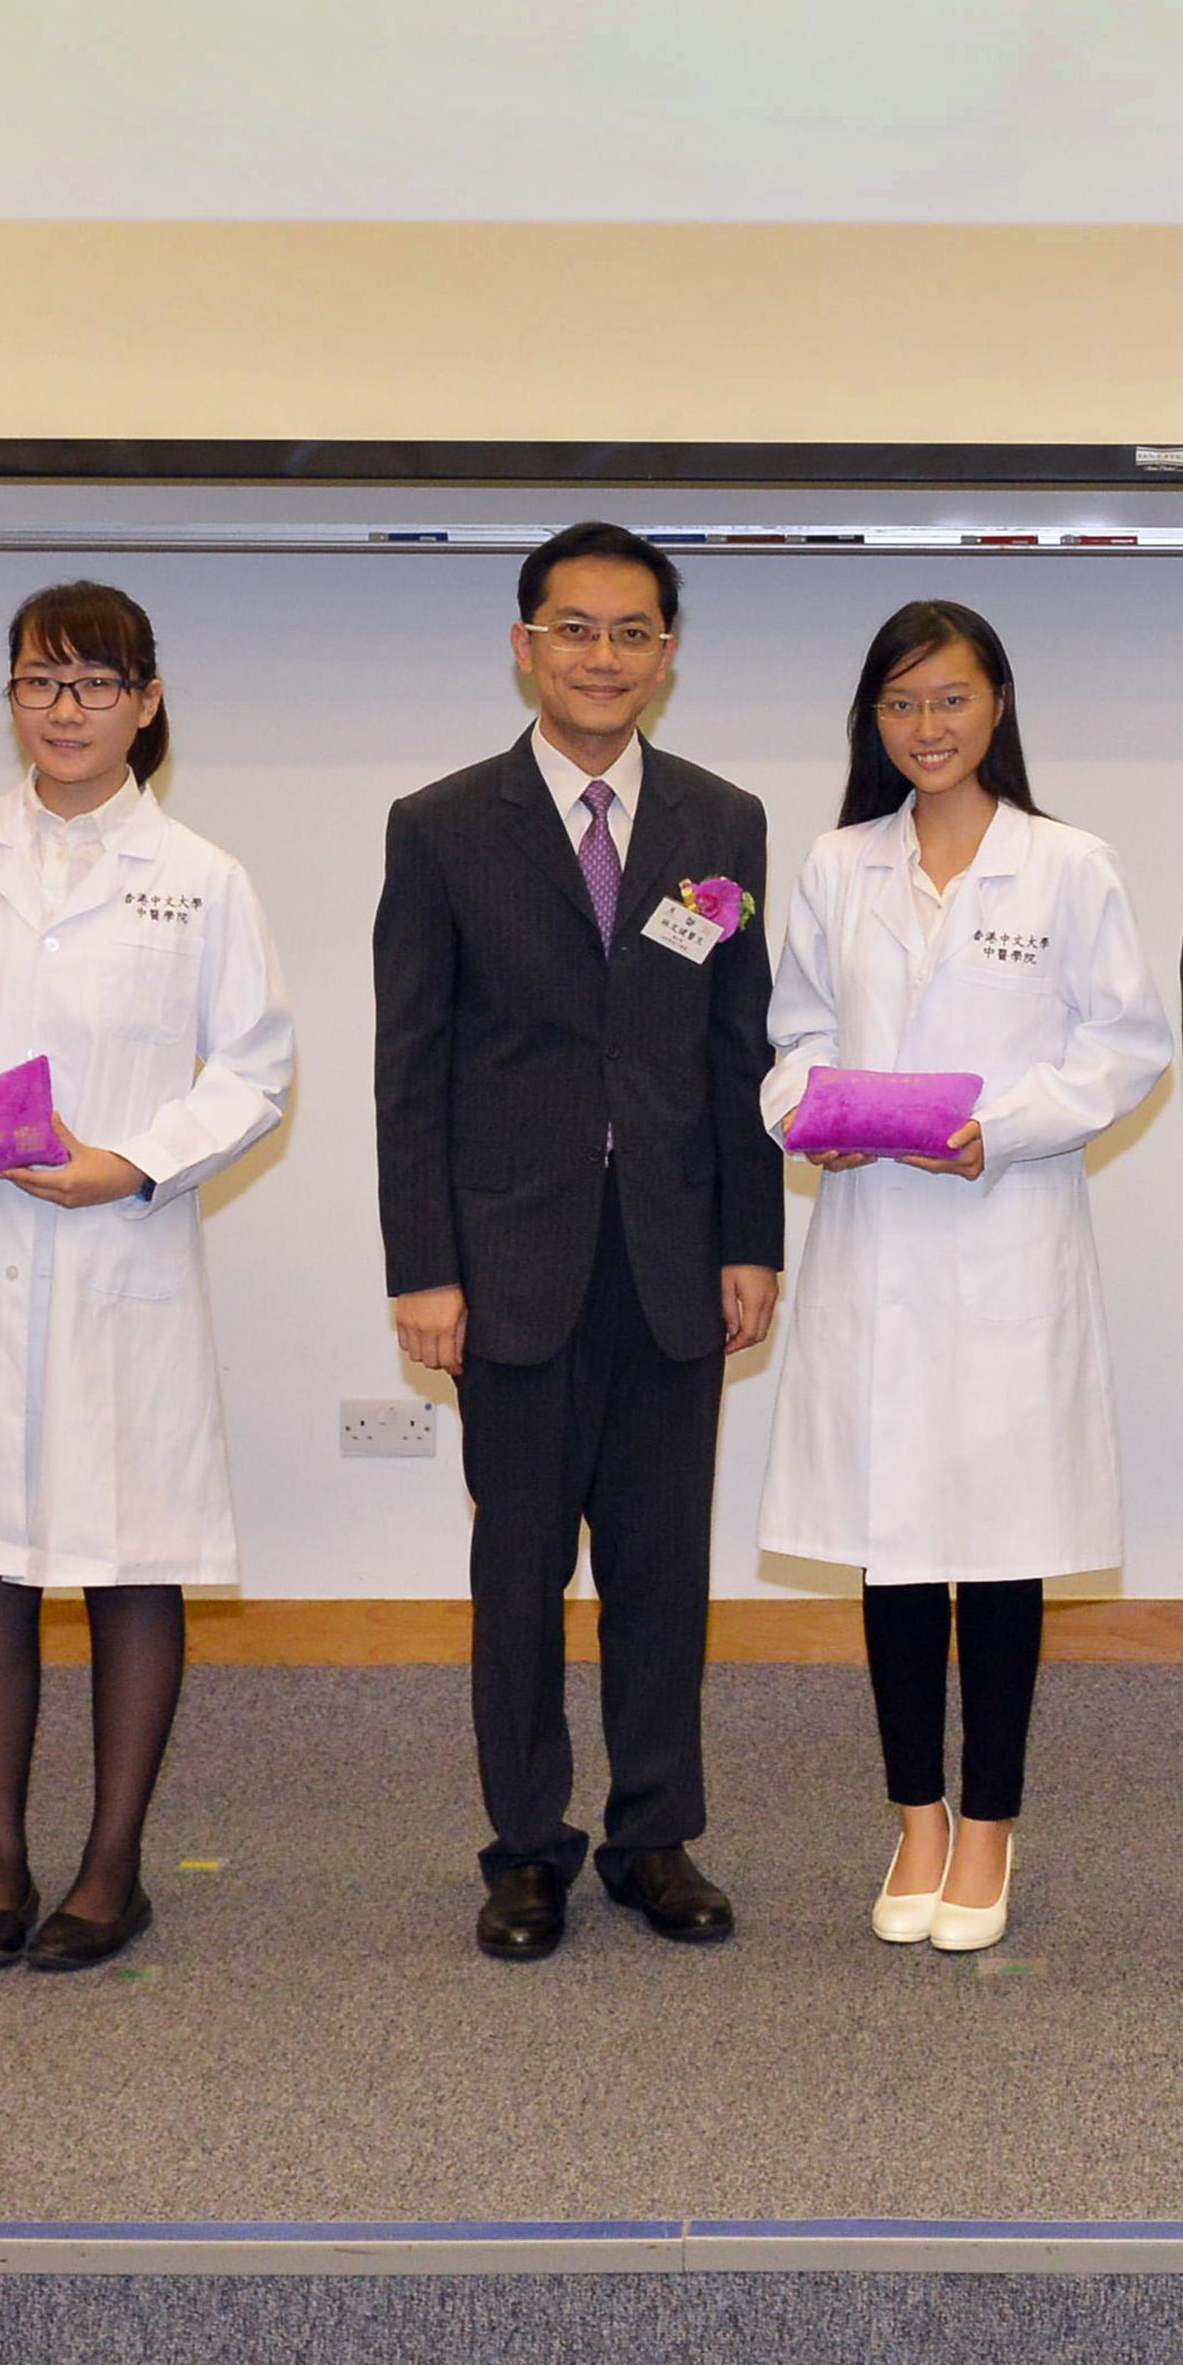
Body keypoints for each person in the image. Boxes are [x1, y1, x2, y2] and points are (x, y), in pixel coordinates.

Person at [0, 581, 296, 1975]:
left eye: (97, 683)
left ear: (147, 703)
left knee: (128, 1561)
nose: (69, 708)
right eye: (42, 681)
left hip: (118, 1258)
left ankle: (109, 1871)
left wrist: (137, 1163)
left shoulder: (201, 875)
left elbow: (255, 1069)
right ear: (12, 699)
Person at [374, 523, 786, 1963]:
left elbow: (741, 1053)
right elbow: (408, 1062)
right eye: (574, 629)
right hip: (510, 1262)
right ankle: (529, 1849)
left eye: (630, 633)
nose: (601, 657)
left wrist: (754, 1238)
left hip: (675, 1256)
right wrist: (422, 1267)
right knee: (521, 1571)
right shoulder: (439, 825)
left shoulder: (721, 822)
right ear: (523, 646)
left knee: (664, 1572)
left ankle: (655, 1837)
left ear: (667, 655)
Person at [756, 603, 1171, 1958]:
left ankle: (990, 1825)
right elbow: (795, 1036)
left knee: (995, 1549)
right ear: (871, 724)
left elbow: (1123, 1049)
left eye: (950, 701)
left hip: (1007, 1241)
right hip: (873, 1241)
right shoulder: (836, 865)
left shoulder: (1068, 866)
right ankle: (916, 1816)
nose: (926, 730)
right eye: (899, 707)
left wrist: (1001, 1127)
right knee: (893, 1546)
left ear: (997, 706)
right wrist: (806, 1107)